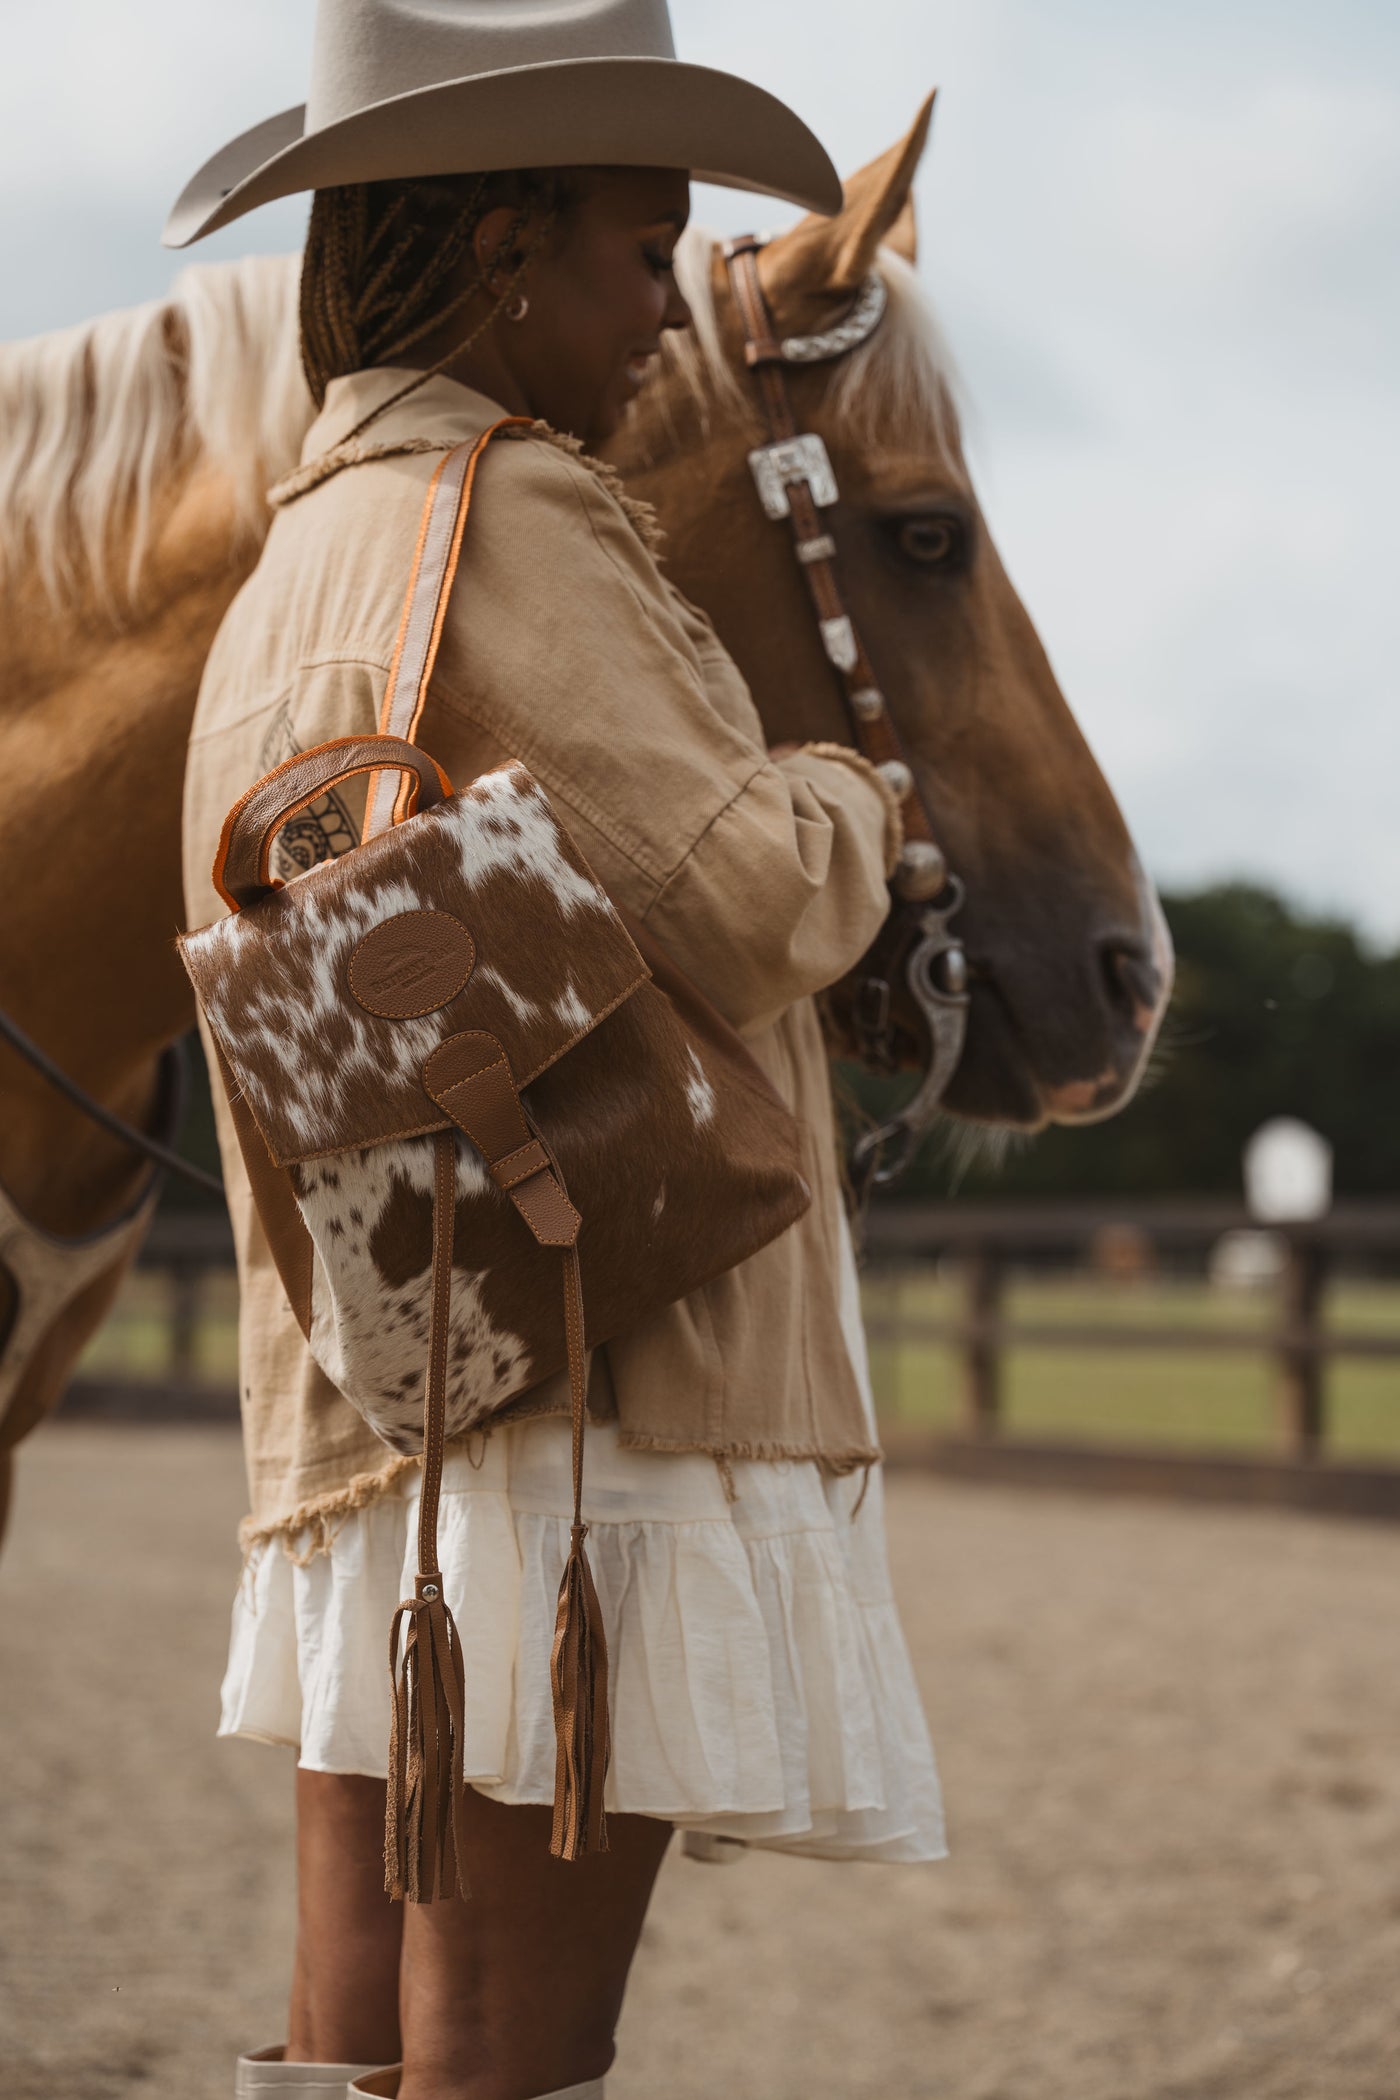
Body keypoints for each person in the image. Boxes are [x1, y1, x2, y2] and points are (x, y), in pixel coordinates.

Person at [170, 4, 945, 2096]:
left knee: (358, 2046)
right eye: (635, 252)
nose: (659, 323)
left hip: (393, 1403)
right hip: (588, 1394)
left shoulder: (299, 554)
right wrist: (861, 793)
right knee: (512, 2064)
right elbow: (753, 894)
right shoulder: (512, 508)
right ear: (503, 243)